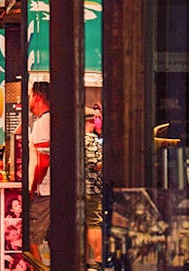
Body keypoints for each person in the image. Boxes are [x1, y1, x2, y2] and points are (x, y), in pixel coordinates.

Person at [27, 82, 51, 264]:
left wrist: (33, 187)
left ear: (37, 97)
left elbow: (43, 162)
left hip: (44, 192)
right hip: (52, 190)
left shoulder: (43, 123)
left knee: (32, 241)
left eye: (29, 95)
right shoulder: (54, 120)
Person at [84, 107, 103, 270]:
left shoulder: (76, 139)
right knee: (94, 221)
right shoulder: (90, 140)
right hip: (92, 188)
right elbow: (95, 164)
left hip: (81, 187)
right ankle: (98, 260)